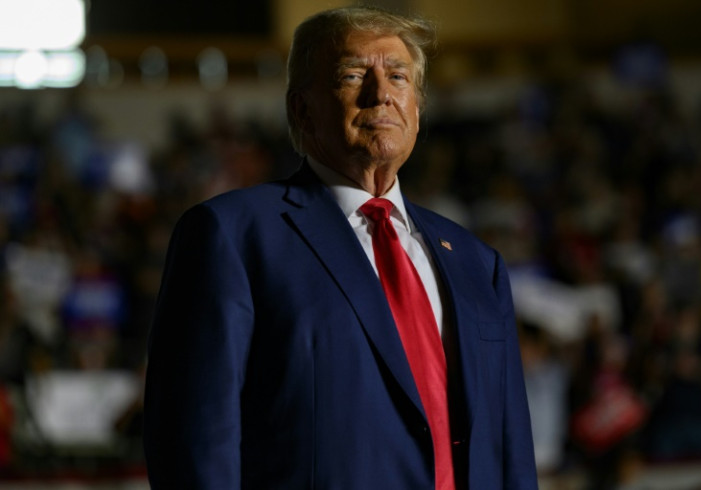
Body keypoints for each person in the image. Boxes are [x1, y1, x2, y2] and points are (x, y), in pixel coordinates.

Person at [143, 6, 537, 490]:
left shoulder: (478, 262)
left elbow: (511, 450)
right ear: (301, 109)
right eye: (353, 75)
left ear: (417, 108)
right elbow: (195, 444)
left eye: (398, 77)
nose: (381, 95)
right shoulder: (232, 235)